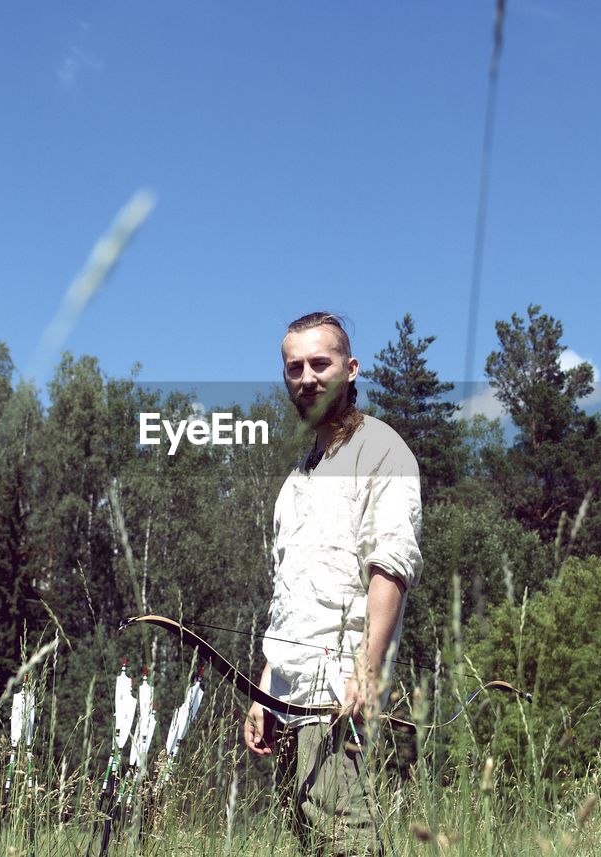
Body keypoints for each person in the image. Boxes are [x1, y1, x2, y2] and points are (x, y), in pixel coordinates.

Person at [242, 311, 422, 855]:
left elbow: (390, 567)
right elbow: (291, 596)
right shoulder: (297, 479)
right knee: (312, 846)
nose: (308, 377)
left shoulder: (381, 449)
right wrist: (265, 693)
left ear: (350, 368)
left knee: (349, 843)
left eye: (321, 363)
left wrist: (365, 675)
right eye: (294, 367)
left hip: (339, 694)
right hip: (289, 700)